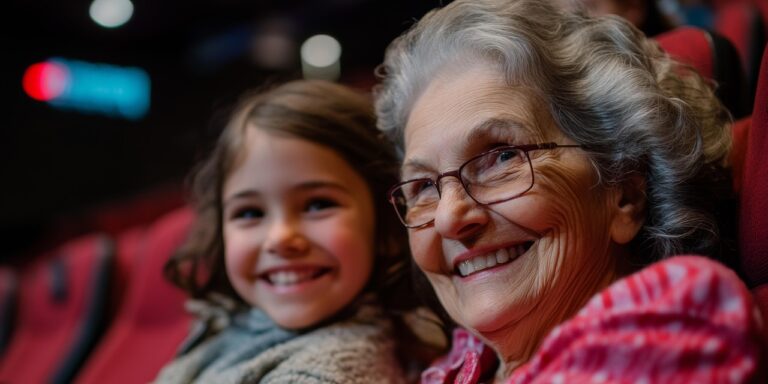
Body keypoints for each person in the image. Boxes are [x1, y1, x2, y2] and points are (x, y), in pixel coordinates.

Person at [374, 0, 765, 382]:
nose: (448, 217)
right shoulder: (455, 357)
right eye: (424, 186)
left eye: (502, 157)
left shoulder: (675, 325)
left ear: (625, 193)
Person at [155, 80, 413, 383]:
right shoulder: (233, 323)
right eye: (250, 213)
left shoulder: (321, 374)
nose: (279, 238)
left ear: (387, 227)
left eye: (318, 205)